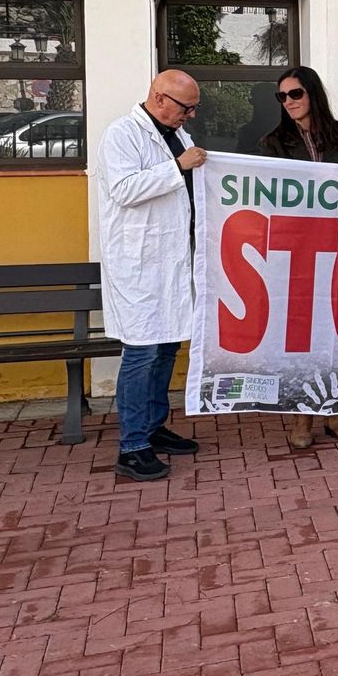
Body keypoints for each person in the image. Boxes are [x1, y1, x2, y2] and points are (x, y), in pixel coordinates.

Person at [259, 66, 338, 449]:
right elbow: (266, 192)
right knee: (301, 339)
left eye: (295, 94)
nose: (289, 102)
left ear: (313, 94)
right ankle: (301, 418)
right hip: (298, 255)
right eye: (282, 97)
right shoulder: (274, 142)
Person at [99, 71, 207, 481]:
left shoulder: (177, 135)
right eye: (185, 107)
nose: (190, 115)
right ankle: (132, 447)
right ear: (159, 98)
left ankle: (154, 428)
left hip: (171, 262)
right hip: (139, 266)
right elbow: (124, 189)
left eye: (193, 107)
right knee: (141, 353)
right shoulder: (121, 134)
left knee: (166, 349)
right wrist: (178, 167)